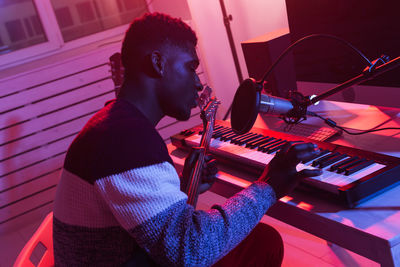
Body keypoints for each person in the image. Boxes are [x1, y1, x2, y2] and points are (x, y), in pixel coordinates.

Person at [53, 12, 322, 266]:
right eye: (190, 67)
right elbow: (190, 252)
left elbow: (157, 233)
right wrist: (270, 185)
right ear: (158, 63)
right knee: (264, 244)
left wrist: (182, 191)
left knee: (260, 240)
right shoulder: (124, 139)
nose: (196, 83)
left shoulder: (117, 124)